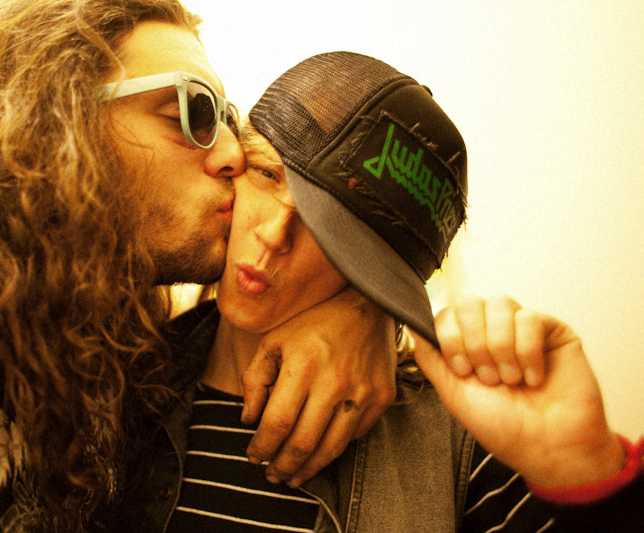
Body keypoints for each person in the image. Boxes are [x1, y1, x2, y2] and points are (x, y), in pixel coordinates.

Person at [0, 3, 398, 532]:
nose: (234, 153)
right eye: (194, 110)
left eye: (227, 119)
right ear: (59, 126)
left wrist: (370, 306)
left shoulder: (116, 357)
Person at [125, 52, 644, 531]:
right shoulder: (117, 380)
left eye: (333, 229)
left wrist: (581, 469)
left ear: (374, 277)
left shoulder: (464, 440)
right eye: (266, 173)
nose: (275, 233)